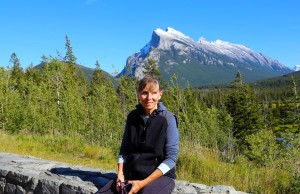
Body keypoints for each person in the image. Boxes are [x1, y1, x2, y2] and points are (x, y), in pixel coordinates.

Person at [97, 75, 179, 194]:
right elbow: (124, 149)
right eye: (144, 93)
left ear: (160, 94)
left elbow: (171, 159)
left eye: (153, 93)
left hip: (160, 177)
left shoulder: (168, 119)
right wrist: (120, 175)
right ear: (138, 94)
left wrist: (142, 183)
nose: (149, 98)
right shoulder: (132, 116)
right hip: (131, 174)